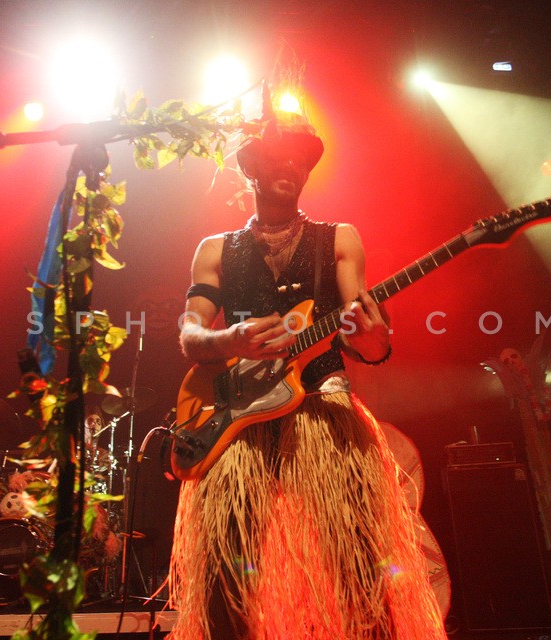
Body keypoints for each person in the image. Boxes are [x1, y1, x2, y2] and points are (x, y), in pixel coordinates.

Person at [167, 111, 447, 639]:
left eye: (301, 159)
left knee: (359, 566)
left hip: (323, 407)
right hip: (238, 425)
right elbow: (190, 335)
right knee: (228, 574)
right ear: (252, 168)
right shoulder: (215, 249)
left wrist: (371, 335)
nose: (291, 166)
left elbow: (370, 342)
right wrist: (228, 340)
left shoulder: (338, 238)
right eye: (279, 157)